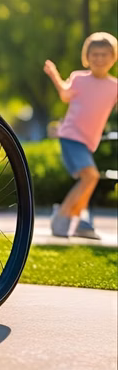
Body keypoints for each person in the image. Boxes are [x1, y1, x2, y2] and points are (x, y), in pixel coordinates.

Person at [44, 32, 118, 239]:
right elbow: (65, 94)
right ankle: (62, 218)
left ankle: (77, 221)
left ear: (113, 58)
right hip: (70, 135)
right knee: (90, 176)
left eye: (104, 54)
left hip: (88, 142)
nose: (99, 59)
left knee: (90, 179)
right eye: (94, 54)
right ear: (87, 57)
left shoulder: (115, 86)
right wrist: (54, 75)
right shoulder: (79, 78)